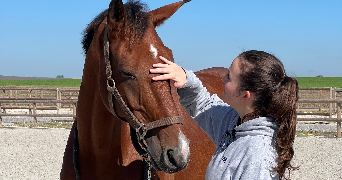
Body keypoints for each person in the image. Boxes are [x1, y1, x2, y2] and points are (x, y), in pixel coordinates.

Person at [149, 50, 299, 180]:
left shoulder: (258, 157)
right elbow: (205, 106)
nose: (222, 79)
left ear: (245, 96)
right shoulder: (235, 123)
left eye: (229, 77)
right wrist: (186, 79)